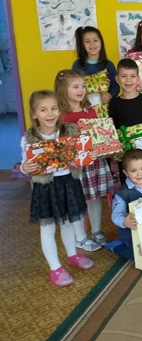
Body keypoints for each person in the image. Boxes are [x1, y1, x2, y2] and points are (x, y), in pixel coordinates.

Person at [20, 90, 94, 287]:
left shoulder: (70, 131)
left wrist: (89, 156)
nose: (50, 113)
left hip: (68, 183)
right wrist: (25, 167)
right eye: (43, 110)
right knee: (48, 229)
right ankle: (55, 268)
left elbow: (81, 155)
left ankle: (72, 255)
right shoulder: (29, 138)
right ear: (34, 114)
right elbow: (25, 164)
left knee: (68, 223)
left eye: (53, 108)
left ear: (60, 110)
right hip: (46, 188)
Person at [55, 70, 113, 250]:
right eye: (75, 87)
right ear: (63, 89)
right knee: (76, 200)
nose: (81, 90)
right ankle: (80, 236)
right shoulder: (60, 115)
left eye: (83, 86)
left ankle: (96, 231)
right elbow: (59, 144)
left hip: (93, 163)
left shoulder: (90, 110)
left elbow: (97, 138)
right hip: (74, 167)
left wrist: (101, 148)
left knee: (94, 198)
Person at [109, 59, 142, 184]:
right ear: (117, 79)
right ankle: (128, 196)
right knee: (126, 179)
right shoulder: (114, 103)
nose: (128, 80)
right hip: (124, 149)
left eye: (132, 76)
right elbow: (112, 125)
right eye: (124, 76)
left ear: (138, 78)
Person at [106, 149, 142, 260]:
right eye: (133, 171)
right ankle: (117, 246)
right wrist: (125, 222)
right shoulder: (122, 193)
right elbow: (116, 215)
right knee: (138, 254)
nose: (139, 174)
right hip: (131, 230)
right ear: (126, 173)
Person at [72, 26, 119, 115]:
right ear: (82, 45)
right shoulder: (77, 65)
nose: (92, 44)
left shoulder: (108, 65)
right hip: (84, 110)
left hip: (105, 111)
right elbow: (72, 87)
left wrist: (110, 95)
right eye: (87, 41)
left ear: (101, 42)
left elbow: (115, 86)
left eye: (95, 40)